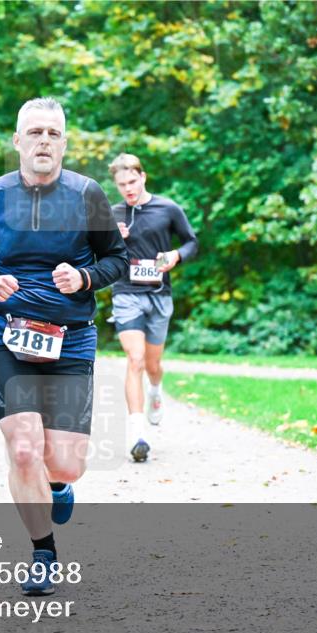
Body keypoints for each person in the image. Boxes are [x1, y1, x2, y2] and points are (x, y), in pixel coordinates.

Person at [0, 97, 128, 596]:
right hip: (8, 335)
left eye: (53, 133)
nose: (44, 141)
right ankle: (43, 553)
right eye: (35, 132)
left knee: (66, 462)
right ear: (17, 141)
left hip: (70, 339)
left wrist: (85, 277)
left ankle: (58, 484)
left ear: (64, 143)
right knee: (25, 448)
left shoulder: (87, 194)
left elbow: (116, 259)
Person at [109, 153, 198, 463]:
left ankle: (156, 390)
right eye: (122, 185)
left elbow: (191, 242)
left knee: (151, 365)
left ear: (143, 177)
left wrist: (176, 256)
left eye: (132, 182)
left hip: (159, 294)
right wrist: (110, 240)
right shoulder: (113, 214)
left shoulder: (168, 208)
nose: (128, 189)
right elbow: (92, 252)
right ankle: (137, 434)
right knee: (134, 360)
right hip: (126, 293)